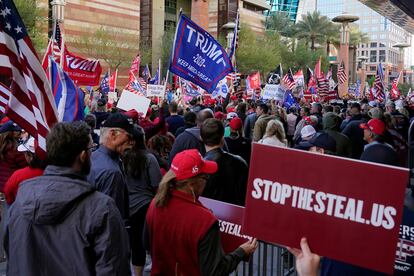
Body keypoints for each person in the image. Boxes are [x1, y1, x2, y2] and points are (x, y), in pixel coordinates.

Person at [5, 121, 131, 276]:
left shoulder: (19, 205)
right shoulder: (102, 209)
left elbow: (12, 256)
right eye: (91, 148)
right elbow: (114, 269)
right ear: (83, 156)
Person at [145, 149, 258, 275]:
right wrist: (241, 252)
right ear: (192, 184)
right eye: (205, 177)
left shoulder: (156, 204)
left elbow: (148, 244)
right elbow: (214, 271)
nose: (207, 181)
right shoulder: (204, 220)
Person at [123, 126, 162, 276]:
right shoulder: (149, 158)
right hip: (146, 206)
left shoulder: (121, 158)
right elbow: (157, 185)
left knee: (135, 244)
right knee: (150, 241)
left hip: (128, 207)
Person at [87, 112, 136, 220]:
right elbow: (109, 218)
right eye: (129, 137)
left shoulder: (93, 157)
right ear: (113, 134)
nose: (132, 142)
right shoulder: (111, 172)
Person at [201, 119, 248, 206]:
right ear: (223, 138)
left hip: (211, 214)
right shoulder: (240, 162)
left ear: (201, 138)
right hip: (235, 215)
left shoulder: (201, 168)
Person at [4, 137, 46, 205]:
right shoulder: (57, 172)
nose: (24, 156)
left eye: (25, 153)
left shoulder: (18, 175)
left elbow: (8, 194)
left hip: (24, 210)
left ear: (30, 156)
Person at [0, 121, 27, 192]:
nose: (19, 131)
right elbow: (25, 166)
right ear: (10, 133)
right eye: (16, 130)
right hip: (12, 186)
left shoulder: (7, 148)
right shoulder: (16, 150)